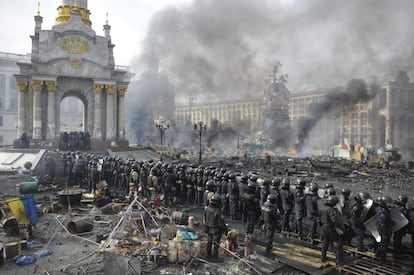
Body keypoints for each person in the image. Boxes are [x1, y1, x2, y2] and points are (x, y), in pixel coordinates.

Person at [320, 195, 344, 264]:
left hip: (324, 227)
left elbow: (319, 218)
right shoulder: (331, 210)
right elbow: (335, 220)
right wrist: (340, 228)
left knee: (325, 242)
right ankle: (339, 260)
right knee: (338, 243)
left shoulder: (322, 208)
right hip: (330, 227)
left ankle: (323, 257)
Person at [204, 194, 227, 259]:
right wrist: (225, 230)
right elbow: (221, 223)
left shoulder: (207, 209)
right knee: (216, 244)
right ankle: (215, 257)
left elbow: (205, 219)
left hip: (208, 227)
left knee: (209, 242)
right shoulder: (218, 212)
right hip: (216, 229)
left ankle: (208, 255)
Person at [374, 196, 394, 264]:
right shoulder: (383, 212)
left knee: (381, 244)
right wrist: (386, 233)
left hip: (380, 229)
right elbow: (383, 223)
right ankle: (382, 260)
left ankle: (377, 254)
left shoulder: (382, 210)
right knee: (384, 245)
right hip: (383, 231)